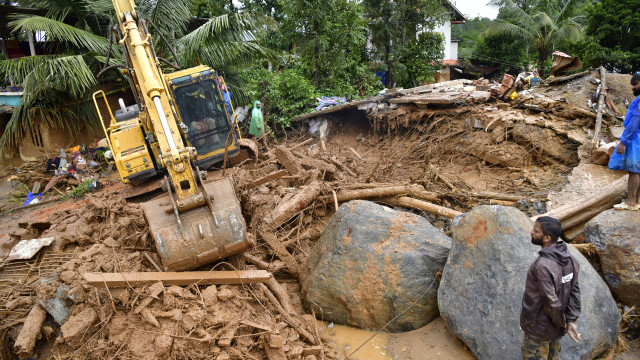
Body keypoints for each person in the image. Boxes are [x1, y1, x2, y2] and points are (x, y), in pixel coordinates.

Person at [520, 216, 581, 360]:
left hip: (538, 329)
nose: (531, 232)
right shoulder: (571, 260)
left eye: (536, 231)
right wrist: (570, 320)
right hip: (556, 329)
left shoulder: (542, 265)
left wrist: (564, 322)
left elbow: (551, 301)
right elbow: (575, 292)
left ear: (547, 238)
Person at [608, 73, 640, 210]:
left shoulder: (639, 102)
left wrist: (623, 142)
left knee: (634, 171)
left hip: (636, 138)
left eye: (635, 83)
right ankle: (637, 200)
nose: (633, 87)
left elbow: (634, 123)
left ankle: (631, 202)